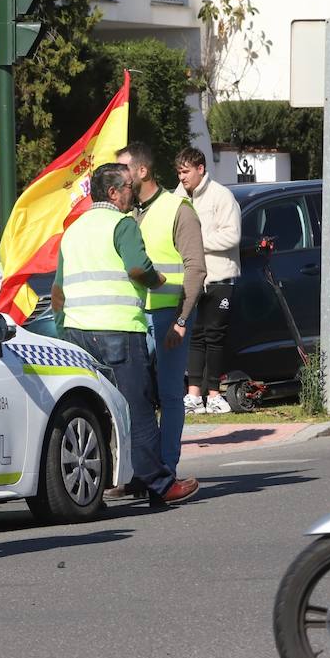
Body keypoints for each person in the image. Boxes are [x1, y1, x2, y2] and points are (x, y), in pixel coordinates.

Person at [52, 162, 200, 508]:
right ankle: (160, 484)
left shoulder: (72, 230)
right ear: (113, 193)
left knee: (95, 411)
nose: (133, 194)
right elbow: (137, 267)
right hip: (118, 330)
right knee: (138, 408)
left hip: (76, 332)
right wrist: (157, 280)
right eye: (129, 188)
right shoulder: (122, 224)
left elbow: (58, 292)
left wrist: (63, 329)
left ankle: (96, 489)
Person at [116, 143, 206, 480]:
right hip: (137, 318)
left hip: (170, 316)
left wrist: (182, 320)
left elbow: (196, 268)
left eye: (124, 168)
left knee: (169, 395)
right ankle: (141, 470)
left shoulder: (177, 209)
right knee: (135, 397)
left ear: (142, 171)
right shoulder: (127, 214)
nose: (120, 176)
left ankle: (165, 469)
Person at [175, 147, 242, 416]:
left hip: (219, 277)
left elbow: (232, 236)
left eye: (186, 171)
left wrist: (196, 243)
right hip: (191, 278)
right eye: (179, 172)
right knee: (194, 335)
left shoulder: (221, 196)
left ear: (200, 169)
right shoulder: (177, 199)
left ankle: (214, 395)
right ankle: (193, 396)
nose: (182, 177)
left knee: (214, 337)